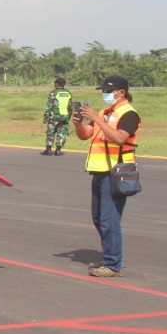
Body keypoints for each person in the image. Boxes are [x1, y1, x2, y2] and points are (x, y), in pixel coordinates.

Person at [72, 74, 140, 278]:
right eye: (103, 91)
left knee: (109, 220)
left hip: (116, 172)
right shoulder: (106, 112)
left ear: (121, 93)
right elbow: (86, 134)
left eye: (108, 92)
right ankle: (110, 256)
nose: (105, 94)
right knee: (98, 218)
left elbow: (120, 138)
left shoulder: (129, 114)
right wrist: (78, 124)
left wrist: (97, 119)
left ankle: (113, 264)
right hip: (100, 171)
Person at [41, 77, 74, 156]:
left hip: (54, 117)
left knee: (50, 132)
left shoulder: (54, 93)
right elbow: (70, 107)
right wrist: (68, 117)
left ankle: (48, 150)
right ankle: (58, 150)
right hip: (65, 117)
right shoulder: (68, 93)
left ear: (56, 84)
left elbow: (49, 106)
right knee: (62, 133)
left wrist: (46, 118)